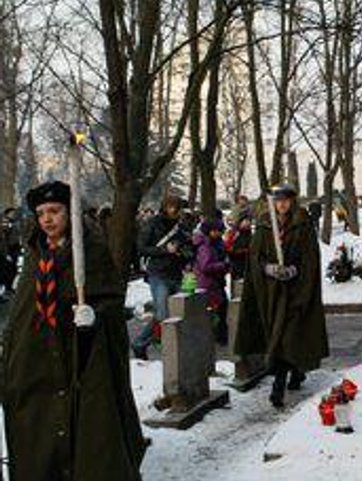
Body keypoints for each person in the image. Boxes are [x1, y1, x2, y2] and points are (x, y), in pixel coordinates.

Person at [2, 181, 145, 480]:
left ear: (70, 213)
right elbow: (23, 315)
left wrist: (95, 316)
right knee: (42, 440)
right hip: (40, 367)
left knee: (89, 440)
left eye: (54, 211)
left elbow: (111, 303)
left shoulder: (90, 252)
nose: (47, 219)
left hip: (82, 363)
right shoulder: (35, 257)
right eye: (41, 213)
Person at [234, 183, 328, 408]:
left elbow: (309, 258)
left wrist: (294, 270)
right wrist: (270, 269)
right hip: (272, 293)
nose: (282, 204)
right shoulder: (266, 224)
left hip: (296, 291)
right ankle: (296, 372)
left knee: (289, 334)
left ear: (292, 201)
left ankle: (278, 386)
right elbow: (256, 257)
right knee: (281, 335)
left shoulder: (303, 224)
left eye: (286, 200)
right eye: (278, 200)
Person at [132, 193, 193, 360]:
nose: (175, 210)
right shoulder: (153, 223)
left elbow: (189, 247)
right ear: (165, 207)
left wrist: (185, 254)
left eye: (177, 207)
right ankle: (140, 343)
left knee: (181, 310)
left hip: (177, 272)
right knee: (162, 314)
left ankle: (175, 347)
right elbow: (142, 248)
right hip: (158, 273)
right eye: (172, 207)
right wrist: (165, 250)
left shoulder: (182, 225)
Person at [194, 217, 230, 345]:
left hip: (216, 283)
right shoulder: (205, 246)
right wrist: (223, 265)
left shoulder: (217, 243)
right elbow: (205, 267)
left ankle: (220, 337)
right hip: (208, 285)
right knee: (215, 313)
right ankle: (216, 337)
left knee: (222, 310)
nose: (220, 233)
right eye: (218, 231)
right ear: (210, 231)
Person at [224, 210, 252, 282]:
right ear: (241, 221)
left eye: (249, 220)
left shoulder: (250, 234)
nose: (248, 223)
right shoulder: (233, 233)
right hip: (236, 266)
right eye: (246, 220)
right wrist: (242, 251)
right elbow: (228, 248)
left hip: (247, 266)